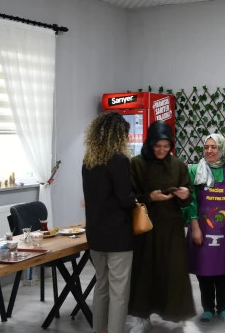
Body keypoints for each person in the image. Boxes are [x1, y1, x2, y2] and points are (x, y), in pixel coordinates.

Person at [129, 121, 195, 332]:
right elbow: (129, 197)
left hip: (172, 227)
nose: (161, 150)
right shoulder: (136, 164)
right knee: (144, 272)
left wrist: (184, 194)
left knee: (176, 273)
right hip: (145, 228)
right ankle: (142, 317)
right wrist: (150, 197)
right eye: (157, 146)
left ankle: (183, 318)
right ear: (149, 143)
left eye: (166, 146)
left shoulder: (178, 165)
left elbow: (189, 196)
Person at [82, 112, 136, 333]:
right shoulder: (119, 160)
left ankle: (100, 330)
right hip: (118, 236)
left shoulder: (88, 161)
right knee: (119, 291)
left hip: (95, 233)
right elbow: (126, 199)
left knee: (101, 285)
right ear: (118, 136)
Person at [183, 133, 225, 324]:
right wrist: (195, 226)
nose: (209, 151)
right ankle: (207, 308)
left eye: (214, 147)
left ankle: (223, 307)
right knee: (205, 270)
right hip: (202, 230)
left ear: (222, 149)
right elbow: (190, 201)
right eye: (206, 147)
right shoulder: (195, 170)